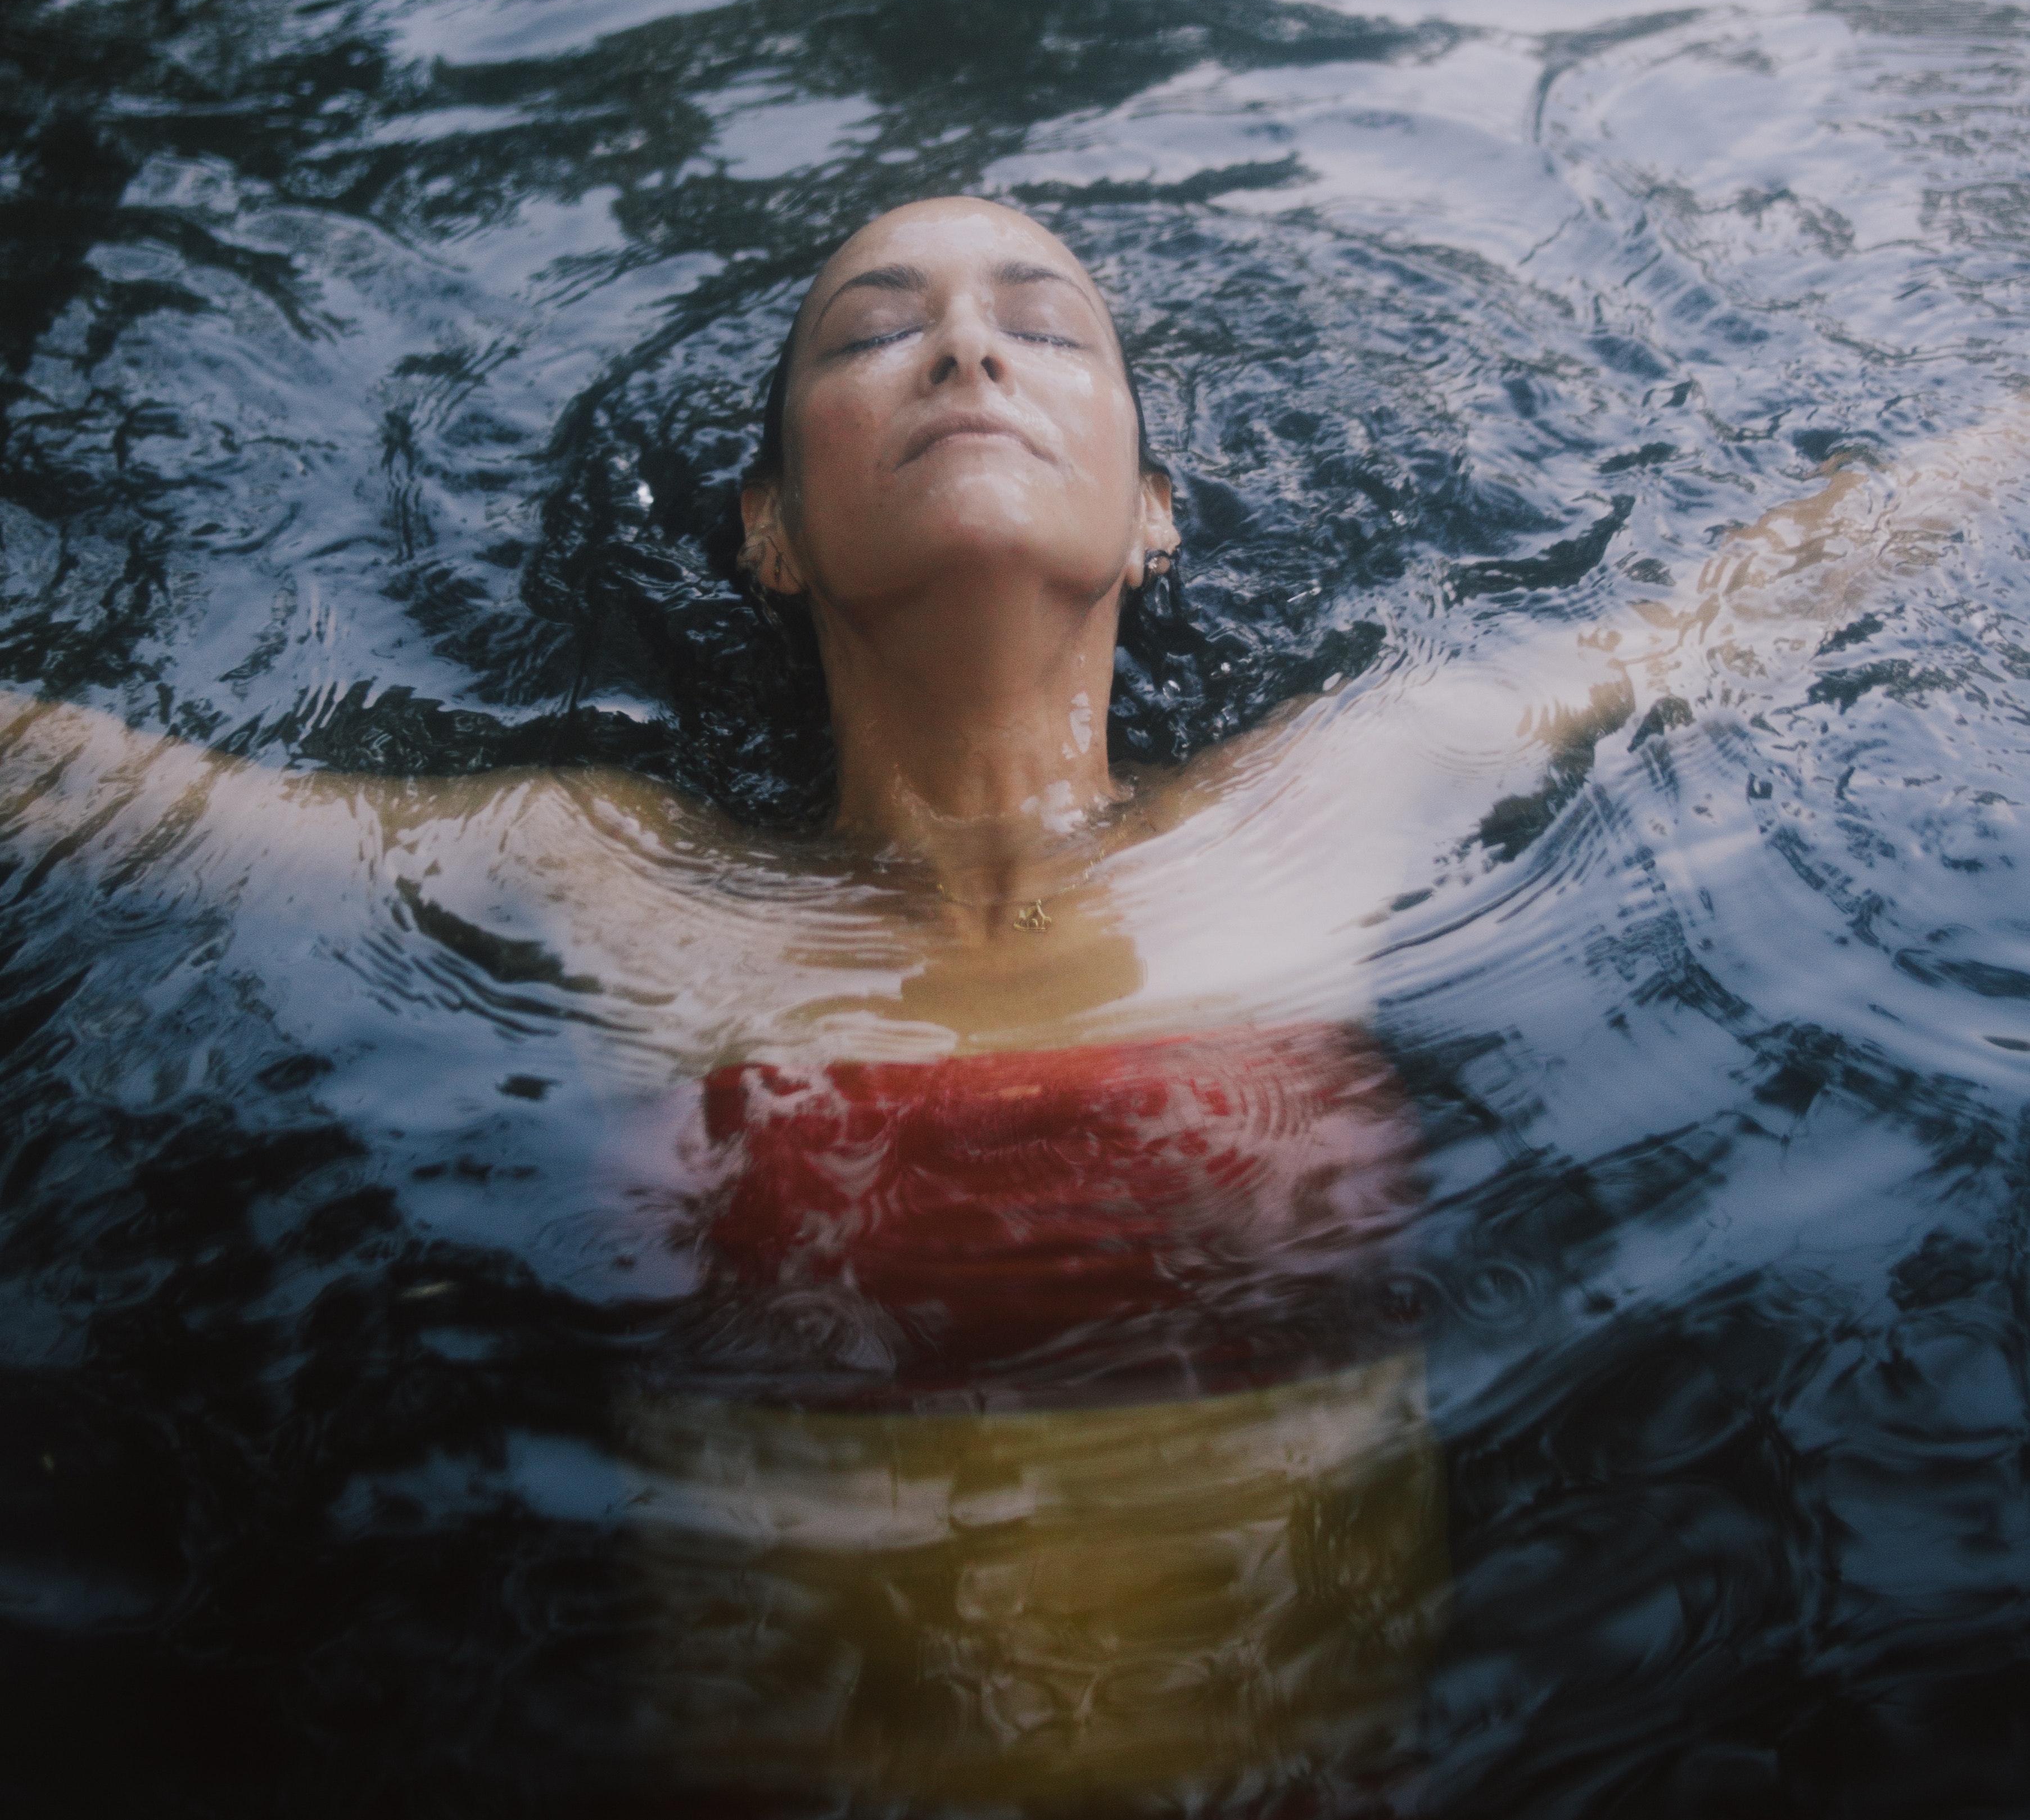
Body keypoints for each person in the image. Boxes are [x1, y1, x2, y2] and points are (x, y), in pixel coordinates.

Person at [2, 195, 2019, 1813]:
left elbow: (1764, 596)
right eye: (876, 326)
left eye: (1042, 322)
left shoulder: (1348, 782)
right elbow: (104, 797)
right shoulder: (589, 866)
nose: (965, 344)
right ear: (768, 532)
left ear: (1153, 510)